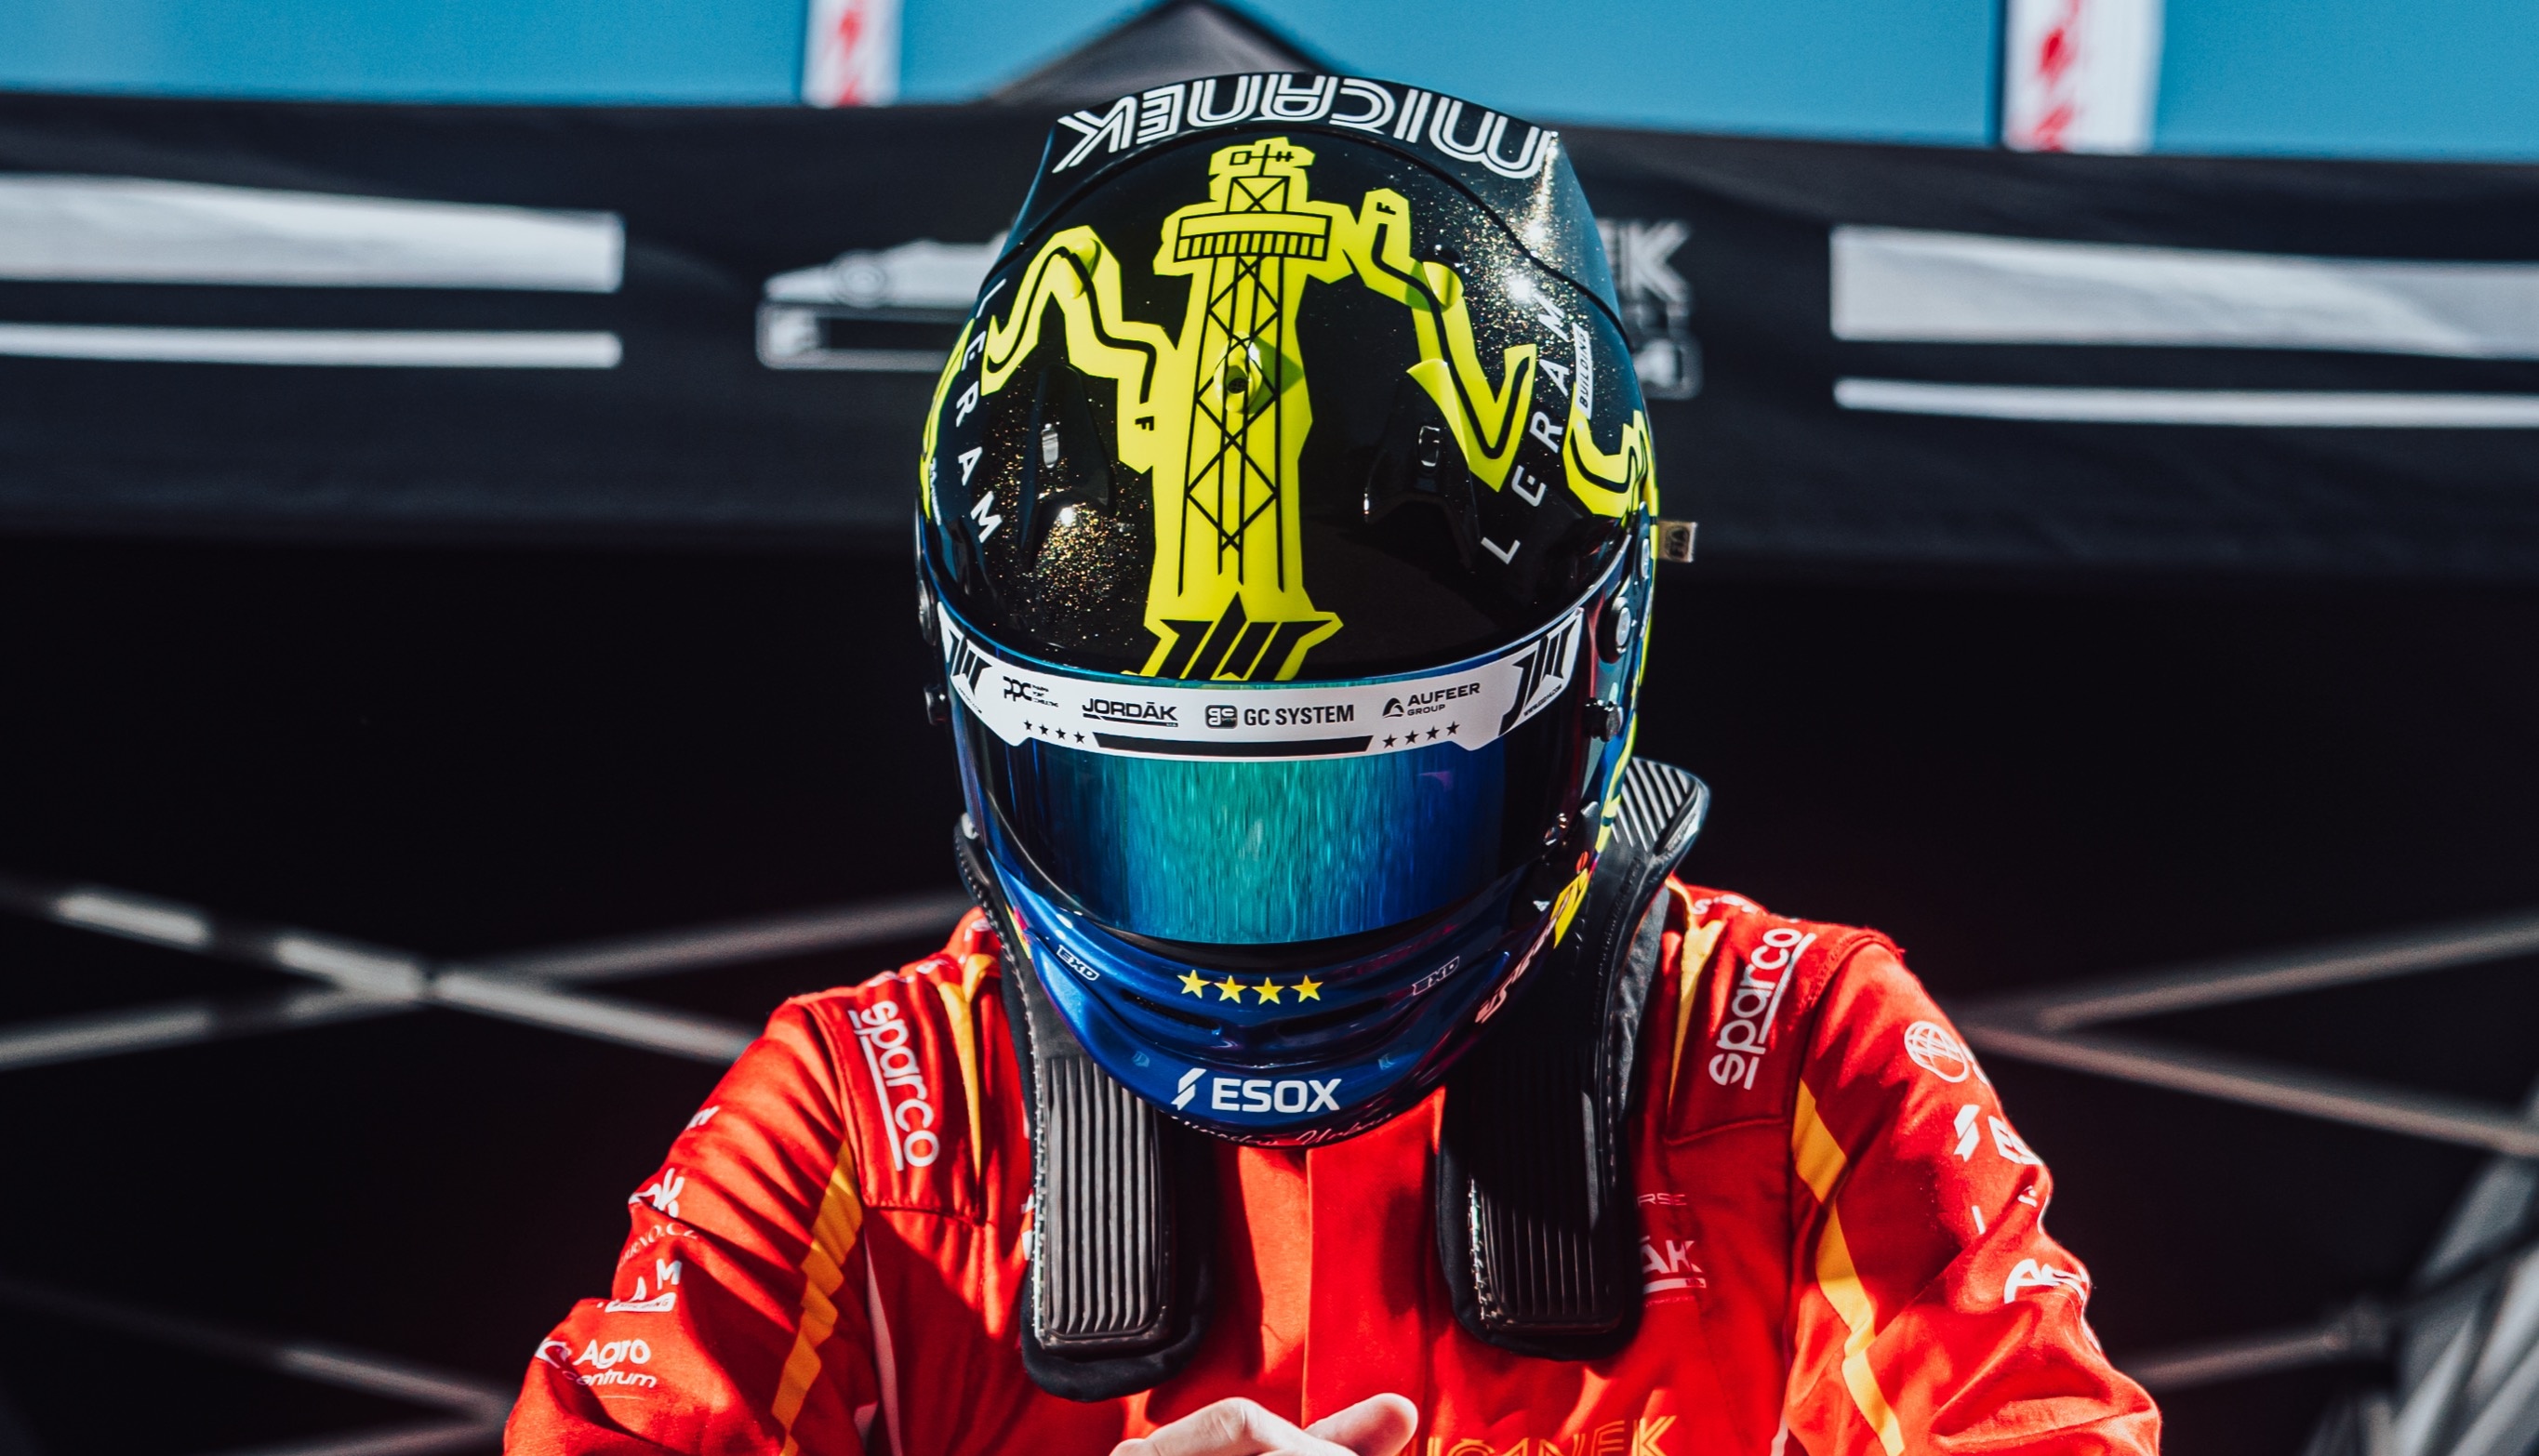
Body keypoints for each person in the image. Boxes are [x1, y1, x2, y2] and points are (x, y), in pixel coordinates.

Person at [506, 73, 2160, 1456]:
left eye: (1355, 810)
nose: (1259, 927)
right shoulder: (873, 1114)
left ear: (1582, 694)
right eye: (1166, 809)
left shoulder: (1792, 1056)